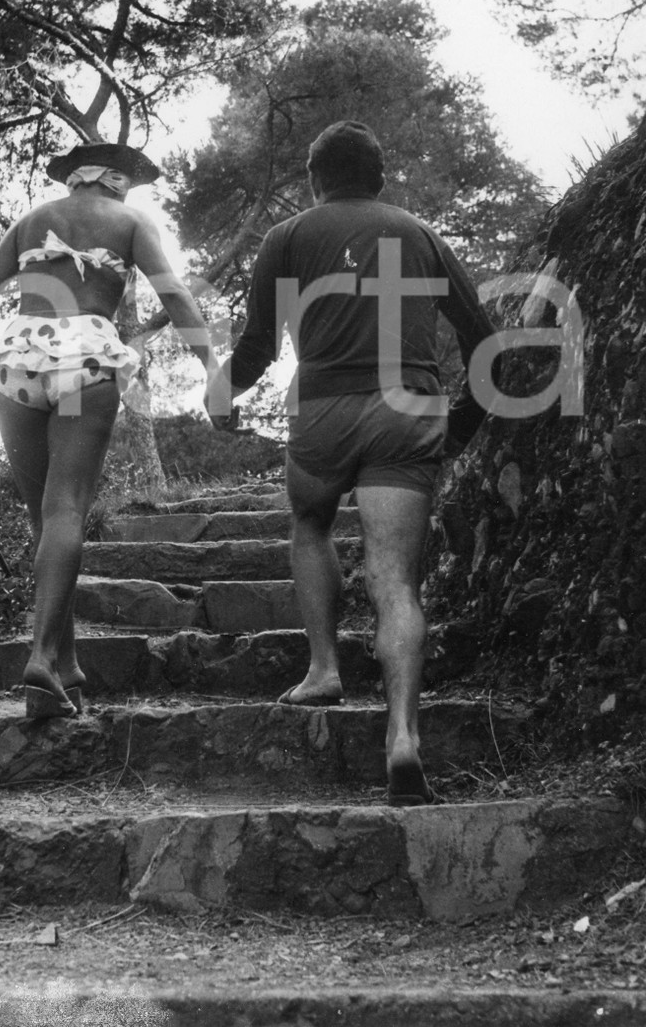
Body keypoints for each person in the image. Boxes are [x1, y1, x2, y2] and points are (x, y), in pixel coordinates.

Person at [205, 120, 495, 805]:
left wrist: (222, 388)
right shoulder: (422, 235)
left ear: (315, 181)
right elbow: (483, 339)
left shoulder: (285, 238)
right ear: (380, 175)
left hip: (322, 412)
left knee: (310, 521)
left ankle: (324, 666)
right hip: (408, 409)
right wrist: (462, 424)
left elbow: (258, 348)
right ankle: (402, 738)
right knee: (396, 581)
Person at [0, 142, 219, 720]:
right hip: (84, 356)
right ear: (116, 181)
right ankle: (42, 654)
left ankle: (65, 665)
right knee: (67, 512)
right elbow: (175, 294)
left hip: (18, 359)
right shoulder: (130, 221)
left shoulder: (30, 221)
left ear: (74, 180)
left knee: (44, 521)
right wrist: (213, 368)